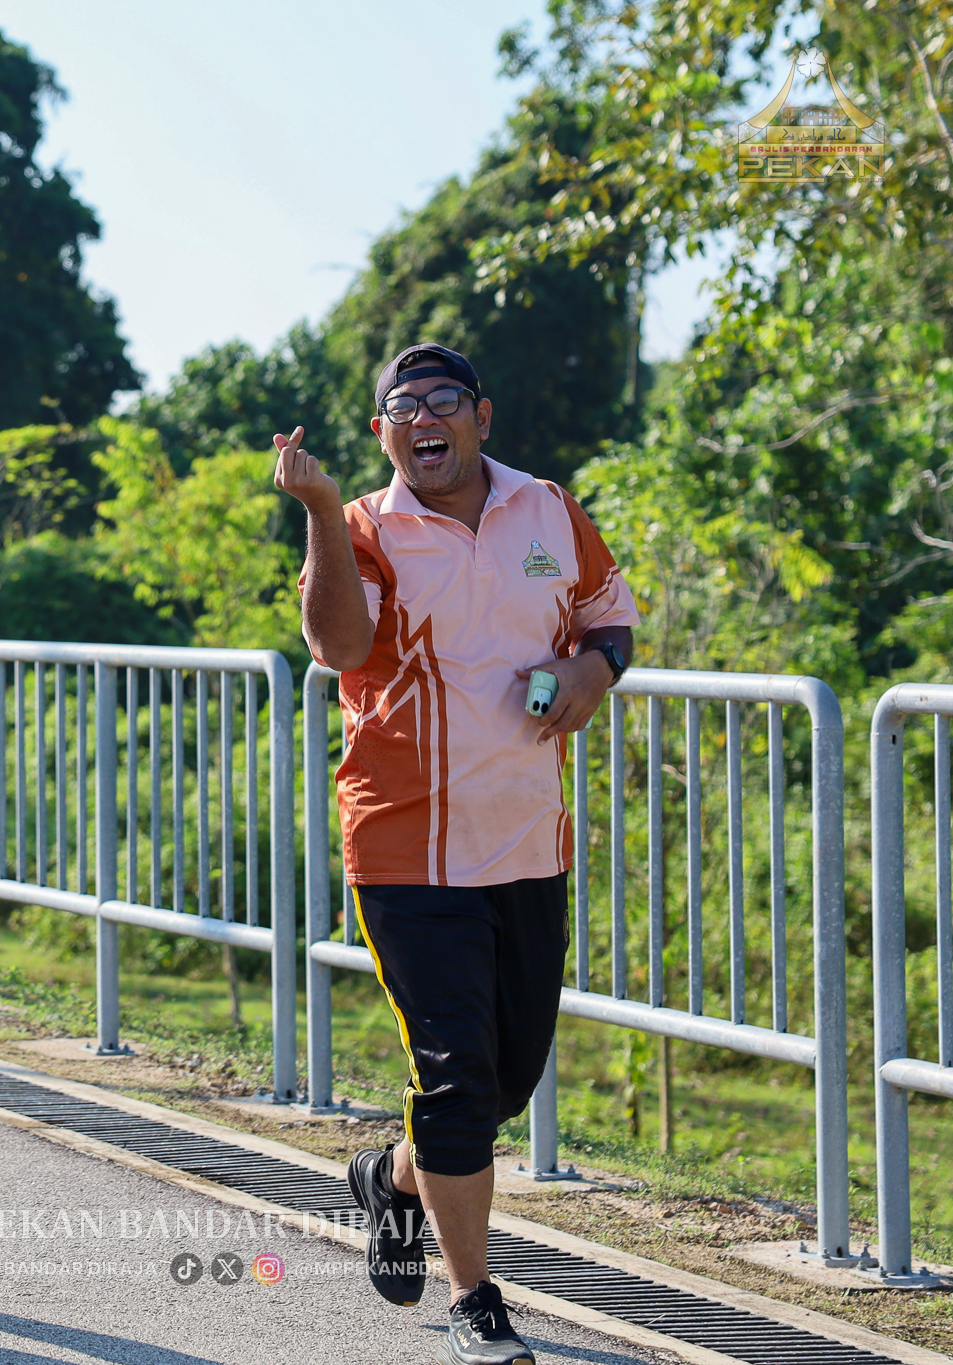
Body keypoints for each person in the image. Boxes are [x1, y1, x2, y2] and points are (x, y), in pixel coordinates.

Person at [276, 343, 637, 1365]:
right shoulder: (363, 528)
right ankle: (474, 1303)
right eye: (401, 408)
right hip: (404, 841)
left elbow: (610, 618)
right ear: (383, 433)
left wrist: (589, 671)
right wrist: (315, 514)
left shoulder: (548, 511)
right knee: (455, 1084)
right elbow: (340, 651)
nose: (421, 419)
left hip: (526, 839)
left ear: (481, 414)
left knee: (505, 1082)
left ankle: (388, 1178)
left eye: (441, 401)